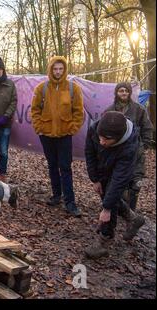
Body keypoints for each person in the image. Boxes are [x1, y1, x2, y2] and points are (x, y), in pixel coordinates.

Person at [84, 111, 145, 259]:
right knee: (108, 195)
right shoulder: (95, 128)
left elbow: (118, 181)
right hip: (103, 167)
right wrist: (95, 179)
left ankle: (104, 240)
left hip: (120, 172)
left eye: (107, 139)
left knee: (109, 199)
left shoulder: (129, 147)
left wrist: (106, 208)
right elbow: (89, 152)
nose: (101, 142)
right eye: (100, 137)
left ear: (118, 138)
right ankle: (133, 218)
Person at [31, 56, 84, 216]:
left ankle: (70, 202)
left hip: (64, 134)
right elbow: (34, 110)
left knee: (65, 167)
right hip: (46, 134)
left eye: (61, 69)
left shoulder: (73, 88)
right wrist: (39, 127)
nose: (58, 72)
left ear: (65, 69)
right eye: (55, 69)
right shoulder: (42, 88)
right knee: (52, 165)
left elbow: (78, 111)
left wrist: (72, 128)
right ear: (50, 70)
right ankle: (56, 195)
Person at [105, 82, 154, 212]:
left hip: (135, 153)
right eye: (121, 91)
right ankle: (118, 209)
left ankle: (131, 211)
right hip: (116, 152)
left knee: (135, 183)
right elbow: (103, 130)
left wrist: (143, 145)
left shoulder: (139, 109)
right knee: (117, 180)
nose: (124, 93)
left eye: (126, 91)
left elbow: (147, 128)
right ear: (116, 93)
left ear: (130, 93)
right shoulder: (110, 111)